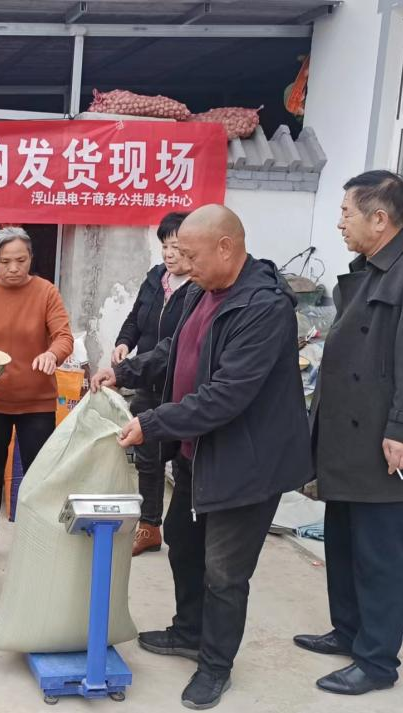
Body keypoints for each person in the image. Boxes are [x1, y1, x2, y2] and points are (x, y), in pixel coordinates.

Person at [90, 204, 311, 710]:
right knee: (184, 544)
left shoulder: (263, 307)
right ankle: (189, 631)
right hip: (199, 451)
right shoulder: (200, 291)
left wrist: (152, 423)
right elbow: (175, 348)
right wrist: (126, 372)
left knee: (224, 571)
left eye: (191, 255)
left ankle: (215, 666)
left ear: (226, 248)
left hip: (246, 461)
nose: (183, 266)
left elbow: (227, 394)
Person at [294, 171, 403, 696]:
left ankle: (378, 662)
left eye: (346, 213)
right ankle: (348, 631)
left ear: (379, 218)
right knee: (343, 540)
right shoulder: (370, 270)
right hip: (348, 439)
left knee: (380, 553)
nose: (340, 223)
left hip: (386, 441)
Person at [0, 227, 73, 539]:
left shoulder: (46, 292)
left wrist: (52, 354)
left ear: (31, 259)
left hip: (37, 402)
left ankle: (38, 537)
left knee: (39, 473)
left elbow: (63, 337)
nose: (13, 268)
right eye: (5, 261)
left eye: (21, 260)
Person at [111, 211, 196, 556]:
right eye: (165, 246)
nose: (169, 254)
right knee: (147, 455)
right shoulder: (155, 278)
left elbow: (176, 345)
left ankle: (185, 527)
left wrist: (125, 372)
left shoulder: (198, 290)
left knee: (181, 457)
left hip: (180, 385)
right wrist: (123, 342)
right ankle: (149, 527)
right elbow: (136, 318)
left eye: (176, 247)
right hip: (147, 380)